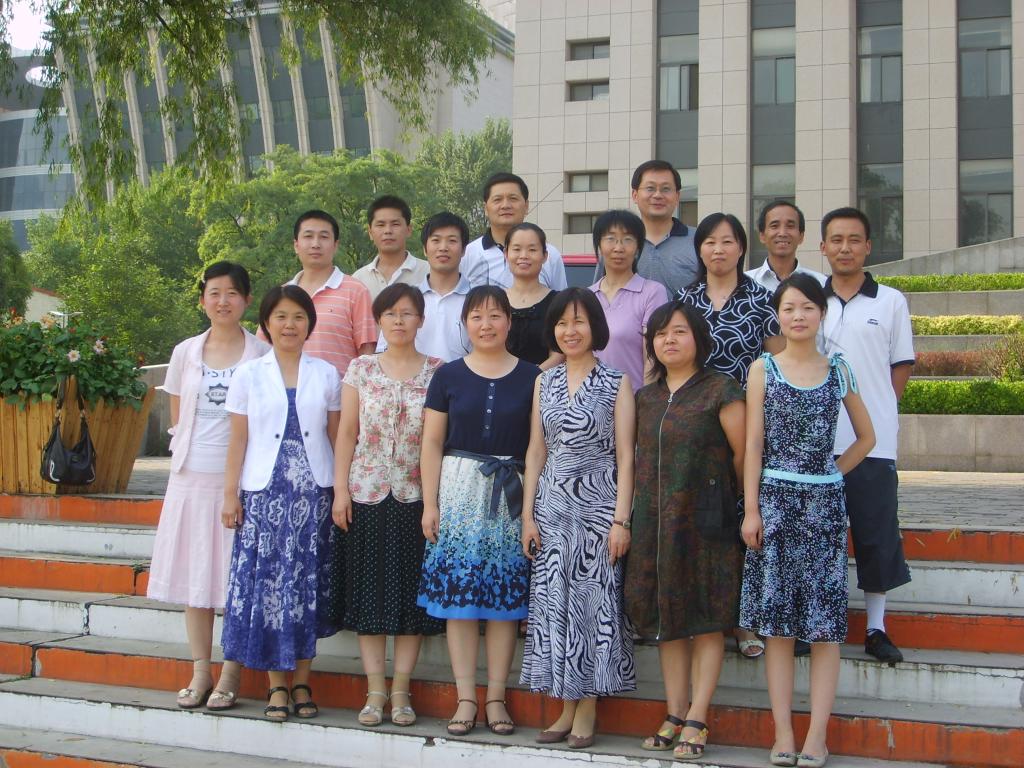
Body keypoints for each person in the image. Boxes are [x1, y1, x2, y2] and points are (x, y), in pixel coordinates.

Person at [740, 273, 875, 768]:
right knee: (777, 626)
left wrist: (831, 474)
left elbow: (867, 437)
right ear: (778, 315)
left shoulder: (839, 368)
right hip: (774, 504)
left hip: (823, 511)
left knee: (823, 627)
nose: (797, 316)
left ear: (821, 313)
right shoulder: (763, 369)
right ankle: (783, 733)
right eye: (789, 308)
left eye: (807, 308)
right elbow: (754, 444)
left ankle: (817, 736)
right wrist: (751, 509)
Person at [624, 301, 746, 762]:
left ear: (698, 338)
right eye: (660, 334)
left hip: (707, 521)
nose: (669, 340)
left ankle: (698, 716)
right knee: (667, 619)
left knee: (706, 616)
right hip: (655, 523)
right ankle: (674, 712)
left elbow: (742, 455)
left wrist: (725, 498)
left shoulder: (721, 389)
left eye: (678, 331)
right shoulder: (646, 397)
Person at [417, 285, 540, 737]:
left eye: (494, 315)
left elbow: (537, 448)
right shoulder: (447, 375)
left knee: (505, 603)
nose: (486, 325)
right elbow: (431, 442)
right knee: (461, 602)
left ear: (509, 322)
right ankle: (466, 697)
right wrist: (430, 503)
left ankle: (496, 698)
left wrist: (530, 512)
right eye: (476, 316)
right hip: (458, 493)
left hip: (512, 494)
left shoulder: (533, 377)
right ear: (464, 324)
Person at [148, 261, 269, 711]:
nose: (223, 301)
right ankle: (201, 670)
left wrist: (236, 486)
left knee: (236, 579)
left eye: (232, 293)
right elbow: (178, 418)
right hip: (190, 479)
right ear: (202, 300)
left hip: (241, 481)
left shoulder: (261, 354)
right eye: (214, 293)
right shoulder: (185, 352)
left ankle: (231, 673)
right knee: (194, 575)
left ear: (247, 300)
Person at [520, 288, 636, 750]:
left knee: (593, 606)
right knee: (555, 605)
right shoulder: (543, 382)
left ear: (595, 327)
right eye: (562, 323)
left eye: (579, 322)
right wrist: (528, 516)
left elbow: (626, 456)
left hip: (598, 509)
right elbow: (536, 450)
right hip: (552, 508)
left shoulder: (616, 382)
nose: (570, 331)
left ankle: (587, 706)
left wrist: (621, 521)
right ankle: (565, 704)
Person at [220, 285, 341, 722]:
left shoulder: (327, 374)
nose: (290, 325)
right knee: (271, 586)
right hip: (264, 496)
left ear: (310, 324)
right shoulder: (248, 375)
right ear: (267, 324)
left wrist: (342, 491)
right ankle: (276, 686)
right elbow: (238, 440)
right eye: (281, 317)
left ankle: (303, 681)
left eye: (298, 317)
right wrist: (230, 493)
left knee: (305, 586)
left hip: (314, 497)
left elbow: (337, 437)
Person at [328, 283, 444, 728]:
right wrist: (341, 490)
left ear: (421, 320)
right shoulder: (360, 369)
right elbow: (347, 432)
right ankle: (375, 690)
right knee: (370, 593)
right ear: (378, 320)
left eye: (408, 313)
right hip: (367, 493)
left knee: (411, 598)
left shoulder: (437, 371)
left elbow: (437, 440)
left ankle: (401, 691)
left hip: (417, 496)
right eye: (391, 313)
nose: (399, 320)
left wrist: (434, 501)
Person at [820, 206, 914, 664]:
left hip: (872, 444)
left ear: (868, 247)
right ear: (823, 247)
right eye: (836, 239)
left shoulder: (890, 301)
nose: (845, 247)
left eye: (854, 239)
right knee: (819, 538)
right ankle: (817, 623)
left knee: (875, 534)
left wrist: (879, 415)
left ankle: (876, 627)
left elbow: (901, 366)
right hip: (817, 443)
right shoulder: (809, 300)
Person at [678, 212, 785, 388]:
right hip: (690, 402)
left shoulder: (763, 300)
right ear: (699, 250)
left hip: (747, 401)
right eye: (710, 242)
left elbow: (778, 365)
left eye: (727, 242)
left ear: (741, 249)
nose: (718, 250)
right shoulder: (684, 299)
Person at [285, 209, 377, 377]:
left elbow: (367, 354)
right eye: (308, 236)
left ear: (335, 245)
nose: (315, 244)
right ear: (296, 245)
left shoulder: (356, 292)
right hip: (286, 391)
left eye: (324, 237)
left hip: (339, 392)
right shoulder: (282, 295)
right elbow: (265, 348)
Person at [588, 210, 669, 391]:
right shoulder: (587, 296)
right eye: (610, 239)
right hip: (590, 401)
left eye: (627, 239)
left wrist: (645, 401)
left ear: (638, 247)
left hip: (634, 398)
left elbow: (652, 357)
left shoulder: (652, 292)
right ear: (599, 245)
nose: (619, 248)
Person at [593, 160, 698, 297]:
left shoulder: (699, 241)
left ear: (677, 196)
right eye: (650, 188)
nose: (658, 195)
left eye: (666, 189)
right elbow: (599, 295)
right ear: (635, 195)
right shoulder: (617, 246)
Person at [462, 172, 567, 290]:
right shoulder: (467, 254)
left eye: (513, 198)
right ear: (485, 208)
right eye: (497, 199)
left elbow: (561, 300)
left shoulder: (549, 255)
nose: (505, 205)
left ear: (526, 206)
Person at [414, 211, 473, 361]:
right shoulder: (407, 299)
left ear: (463, 250)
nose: (443, 247)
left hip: (463, 376)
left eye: (452, 241)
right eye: (436, 240)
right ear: (425, 249)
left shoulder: (478, 299)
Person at [503, 223, 563, 368]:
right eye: (516, 249)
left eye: (532, 250)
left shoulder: (558, 302)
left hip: (545, 380)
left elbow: (559, 353)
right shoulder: (496, 301)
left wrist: (532, 377)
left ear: (544, 256)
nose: (523, 256)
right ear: (506, 254)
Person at [352, 195, 430, 300]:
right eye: (381, 225)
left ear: (408, 230)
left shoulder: (429, 273)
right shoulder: (358, 280)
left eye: (395, 224)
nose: (388, 231)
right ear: (370, 232)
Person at [746, 200, 826, 292]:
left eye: (790, 226)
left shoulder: (821, 283)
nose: (782, 233)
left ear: (801, 236)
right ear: (762, 236)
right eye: (774, 226)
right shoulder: (745, 283)